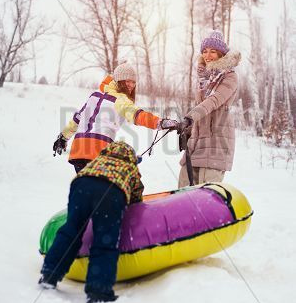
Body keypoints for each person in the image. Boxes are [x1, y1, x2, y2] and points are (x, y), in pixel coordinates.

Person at [39, 141, 144, 303]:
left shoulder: (98, 161)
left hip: (81, 183)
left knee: (71, 230)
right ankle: (98, 290)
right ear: (131, 157)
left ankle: (50, 274)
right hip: (111, 190)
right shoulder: (130, 167)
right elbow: (137, 195)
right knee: (105, 239)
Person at [53, 61, 178, 172]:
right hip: (98, 151)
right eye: (127, 81)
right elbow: (137, 115)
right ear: (119, 81)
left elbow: (77, 120)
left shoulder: (94, 95)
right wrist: (160, 123)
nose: (131, 85)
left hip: (79, 151)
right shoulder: (120, 99)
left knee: (88, 190)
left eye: (133, 82)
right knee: (102, 192)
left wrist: (63, 137)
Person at [178, 30, 241, 187]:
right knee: (183, 188)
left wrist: (190, 116)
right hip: (197, 142)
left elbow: (213, 101)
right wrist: (188, 128)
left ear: (221, 54)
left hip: (216, 141)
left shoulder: (230, 77)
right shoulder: (203, 79)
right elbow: (201, 107)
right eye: (205, 51)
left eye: (213, 51)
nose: (208, 55)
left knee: (206, 194)